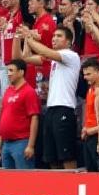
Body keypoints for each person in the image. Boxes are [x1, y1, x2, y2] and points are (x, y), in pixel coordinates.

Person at [21, 25, 80, 169]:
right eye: (53, 36)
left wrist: (28, 36)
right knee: (51, 156)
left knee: (67, 155)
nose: (54, 38)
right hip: (51, 109)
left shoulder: (70, 55)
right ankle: (58, 189)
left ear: (68, 42)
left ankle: (72, 187)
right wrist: (26, 40)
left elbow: (44, 51)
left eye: (59, 36)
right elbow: (26, 57)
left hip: (65, 108)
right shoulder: (55, 59)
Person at [0, 58, 41, 169]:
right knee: (7, 182)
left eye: (11, 70)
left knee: (24, 181)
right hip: (6, 144)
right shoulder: (8, 90)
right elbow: (2, 118)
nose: (8, 74)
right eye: (7, 71)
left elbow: (34, 118)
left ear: (21, 72)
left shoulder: (29, 92)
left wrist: (30, 145)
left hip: (21, 143)